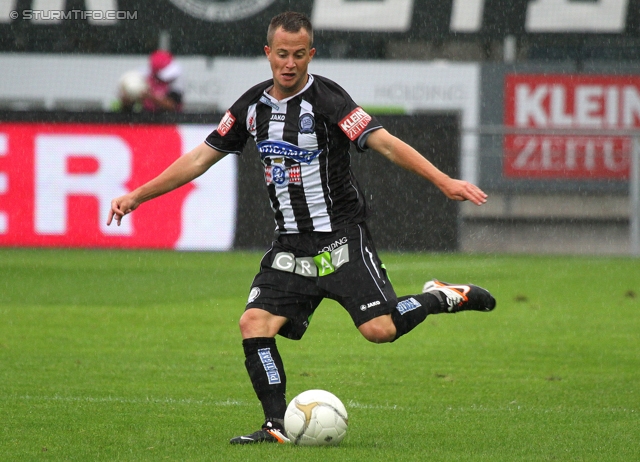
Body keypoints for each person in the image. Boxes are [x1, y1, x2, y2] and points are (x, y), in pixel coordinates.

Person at [106, 11, 496, 445]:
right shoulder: (251, 106)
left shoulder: (329, 100)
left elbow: (383, 142)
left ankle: (442, 295)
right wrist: (137, 194)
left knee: (380, 330)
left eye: (298, 55)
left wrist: (444, 181)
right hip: (290, 245)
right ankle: (275, 426)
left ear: (310, 54)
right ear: (267, 54)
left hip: (340, 237)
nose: (289, 64)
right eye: (281, 55)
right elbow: (200, 157)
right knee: (254, 322)